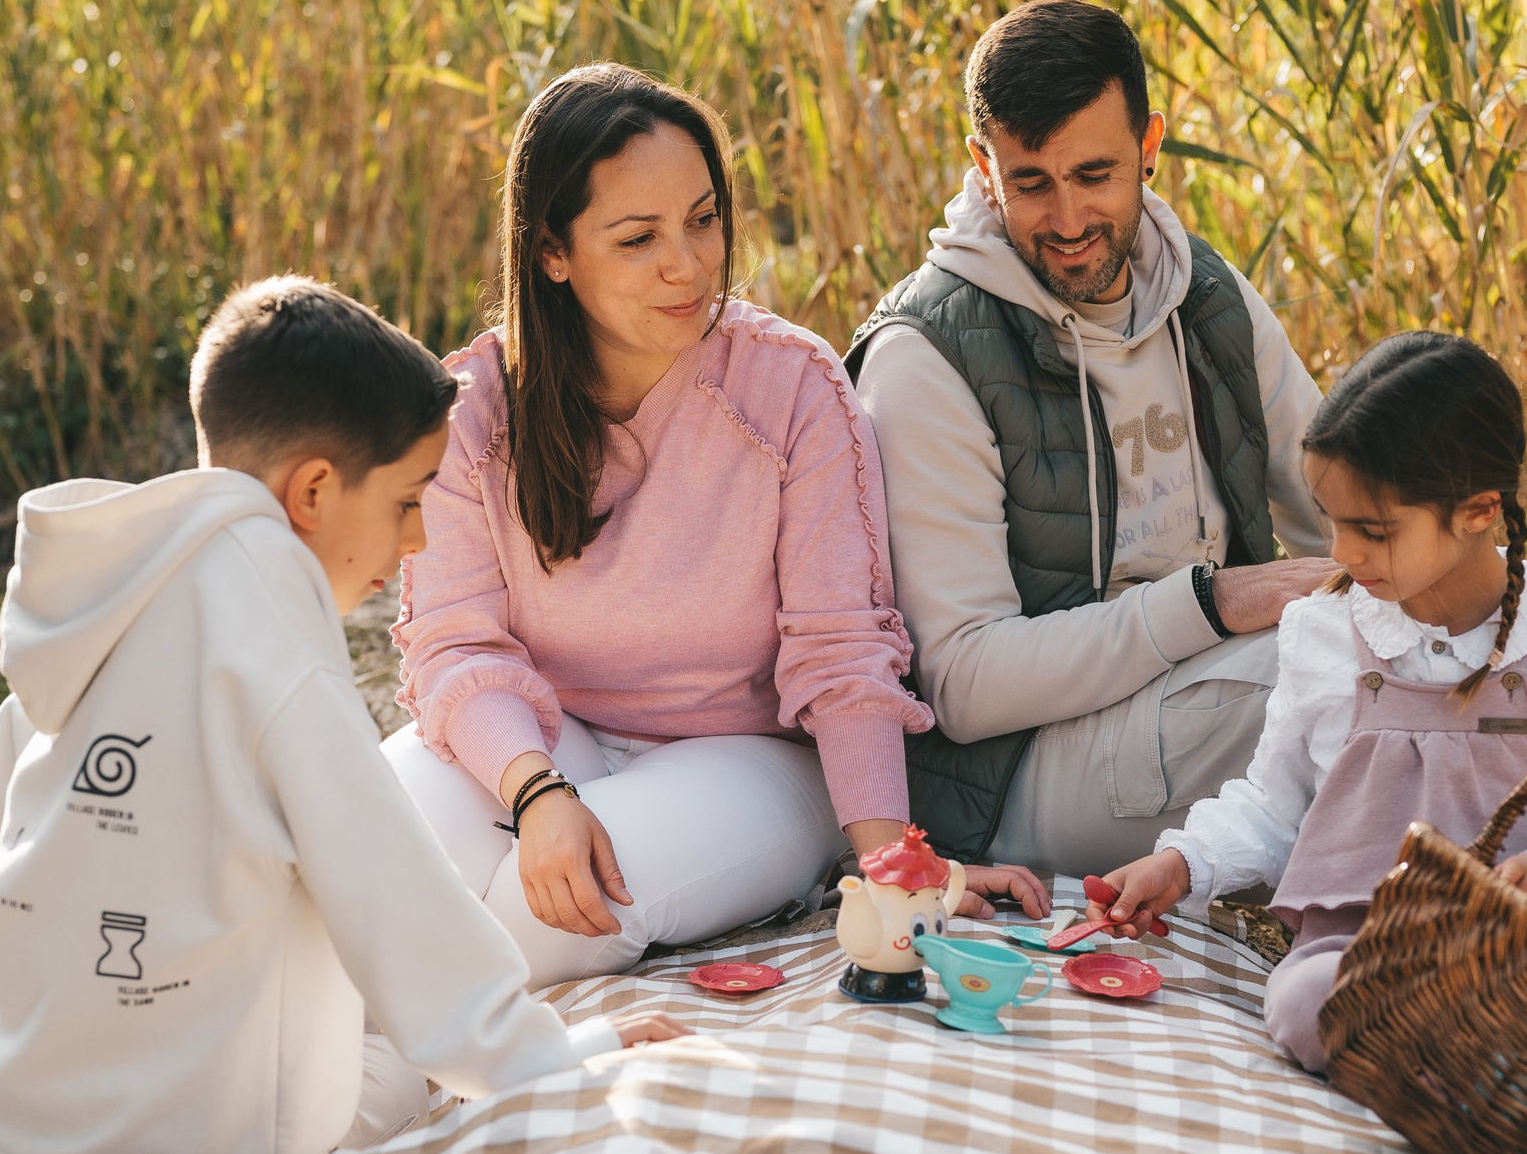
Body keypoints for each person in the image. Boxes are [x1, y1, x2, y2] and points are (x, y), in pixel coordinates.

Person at [0, 277, 684, 1154]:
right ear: (313, 492)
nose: (419, 537)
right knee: (395, 1062)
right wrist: (566, 1064)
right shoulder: (280, 662)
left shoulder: (108, 605)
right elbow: (405, 916)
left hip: (24, 1153)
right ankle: (90, 1118)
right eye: (408, 501)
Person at [387, 63, 1046, 990]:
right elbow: (455, 643)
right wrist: (536, 791)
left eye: (703, 220)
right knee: (378, 861)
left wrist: (895, 870)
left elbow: (843, 650)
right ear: (552, 253)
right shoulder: (474, 410)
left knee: (557, 919)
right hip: (548, 730)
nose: (689, 265)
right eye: (638, 238)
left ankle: (446, 1056)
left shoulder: (793, 390)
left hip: (750, 762)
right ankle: (367, 1080)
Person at [1084, 331, 1527, 1071]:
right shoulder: (1324, 632)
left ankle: (1486, 1070)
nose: (1342, 553)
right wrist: (1182, 861)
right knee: (1310, 1003)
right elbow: (1276, 806)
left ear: (1479, 510)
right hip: (1372, 965)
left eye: (1373, 531)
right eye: (1333, 521)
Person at [847, 0, 1341, 876]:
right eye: (1032, 182)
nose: (1069, 219)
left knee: (1455, 646)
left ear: (1150, 146)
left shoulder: (1207, 299)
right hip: (1021, 772)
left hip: (1205, 688)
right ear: (984, 168)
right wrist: (1213, 602)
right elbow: (965, 684)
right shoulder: (928, 355)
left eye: (1095, 174)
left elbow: (1337, 509)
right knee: (1348, 683)